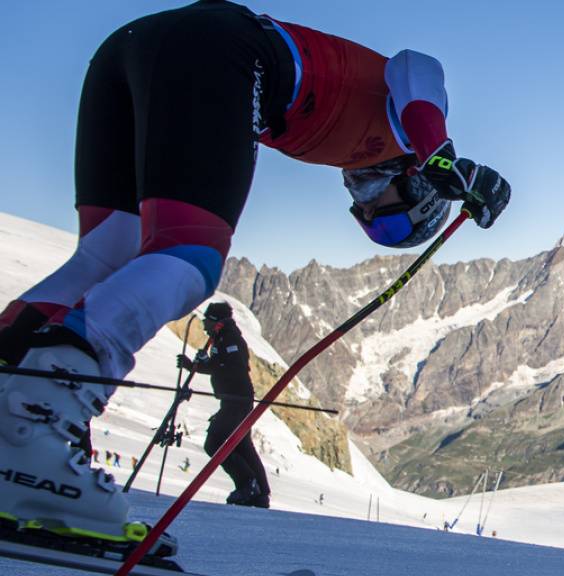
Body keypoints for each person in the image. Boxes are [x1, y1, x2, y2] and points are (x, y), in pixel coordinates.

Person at [0, 0, 509, 552]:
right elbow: (417, 63)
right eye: (381, 211)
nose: (360, 206)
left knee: (108, 257)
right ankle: (34, 425)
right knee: (190, 257)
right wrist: (439, 151)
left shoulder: (359, 143)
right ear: (418, 183)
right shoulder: (407, 128)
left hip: (130, 49)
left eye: (369, 219)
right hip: (224, 49)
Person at [177, 302, 269, 508]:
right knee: (242, 444)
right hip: (234, 399)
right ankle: (260, 493)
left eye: (206, 321)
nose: (203, 326)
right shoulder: (222, 338)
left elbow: (234, 367)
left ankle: (247, 484)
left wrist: (206, 362)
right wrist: (196, 365)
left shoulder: (230, 339)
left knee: (215, 442)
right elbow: (221, 366)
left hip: (237, 400)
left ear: (217, 322)